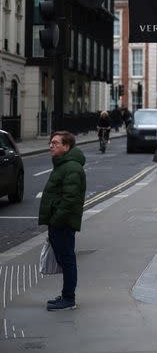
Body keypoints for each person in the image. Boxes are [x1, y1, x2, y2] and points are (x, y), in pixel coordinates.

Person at [38, 131, 87, 311]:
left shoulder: (71, 167)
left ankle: (68, 299)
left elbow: (70, 199)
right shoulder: (64, 165)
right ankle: (67, 295)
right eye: (50, 143)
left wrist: (57, 220)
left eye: (56, 143)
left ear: (66, 147)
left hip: (63, 223)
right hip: (60, 222)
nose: (51, 145)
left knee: (67, 260)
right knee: (65, 259)